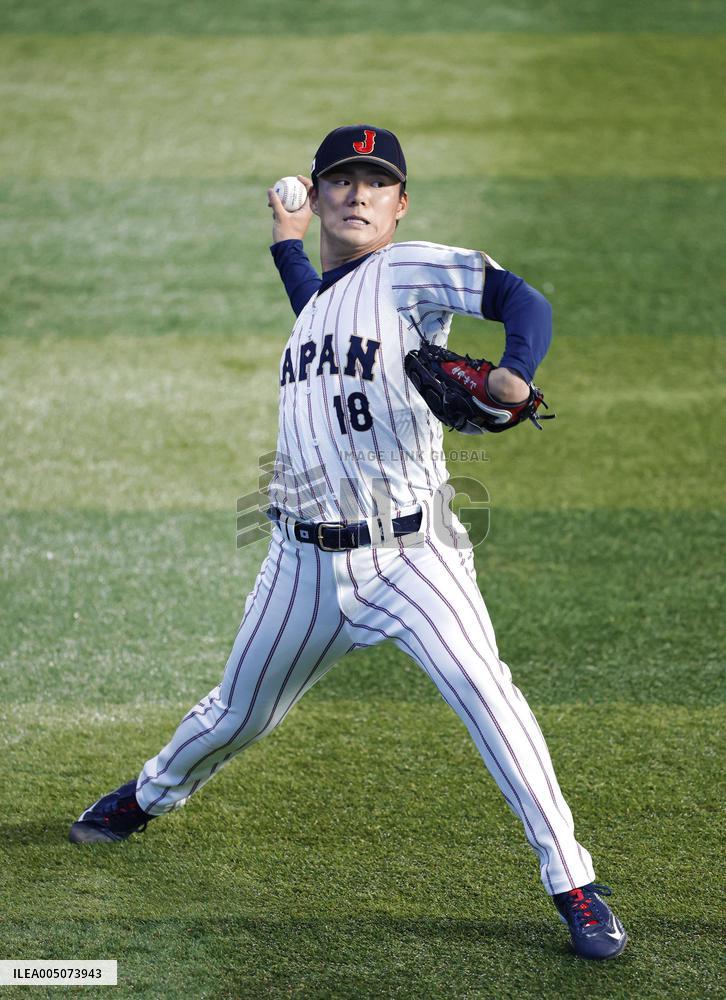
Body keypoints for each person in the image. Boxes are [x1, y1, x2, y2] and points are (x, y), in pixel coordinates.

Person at [68, 125, 627, 961]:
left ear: (401, 205)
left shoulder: (409, 271)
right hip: (300, 565)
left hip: (413, 557)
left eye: (376, 182)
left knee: (488, 695)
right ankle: (146, 797)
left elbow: (524, 300)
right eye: (342, 179)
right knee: (236, 714)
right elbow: (317, 299)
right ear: (322, 192)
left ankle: (574, 885)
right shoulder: (322, 308)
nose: (358, 193)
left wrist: (515, 368)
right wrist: (284, 242)